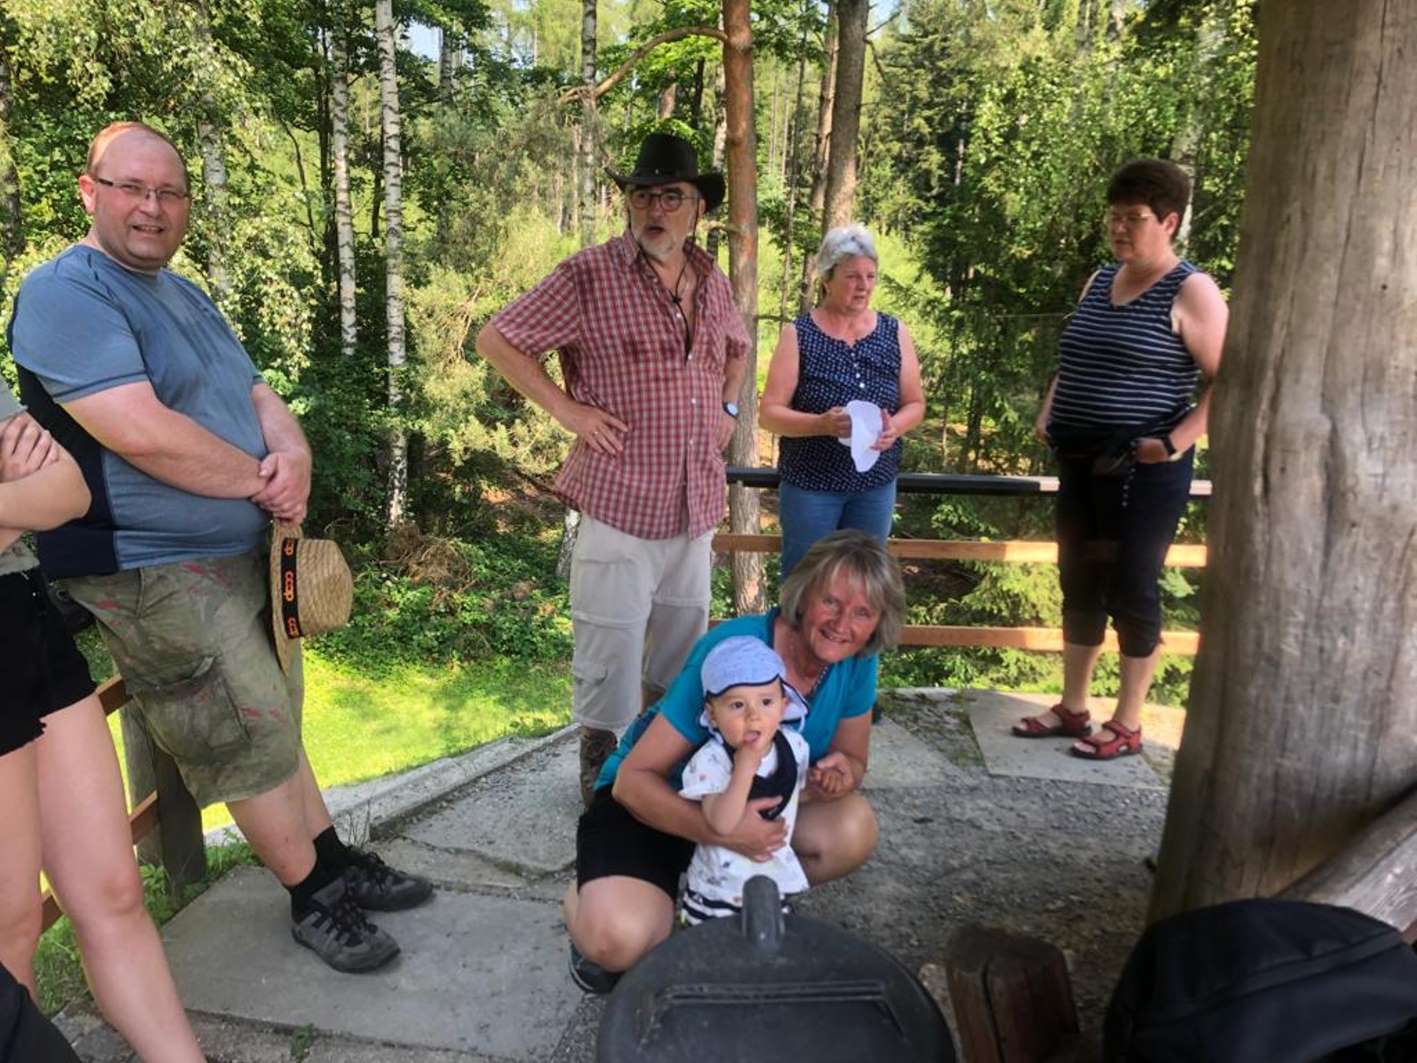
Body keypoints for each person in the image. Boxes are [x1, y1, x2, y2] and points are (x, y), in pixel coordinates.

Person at [7, 121, 432, 975]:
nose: (152, 207)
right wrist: (258, 482)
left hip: (237, 551)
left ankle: (331, 858)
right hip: (149, 567)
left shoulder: (181, 291)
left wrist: (294, 458)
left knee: (273, 717)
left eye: (169, 192)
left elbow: (255, 391)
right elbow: (139, 431)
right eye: (132, 188)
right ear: (90, 192)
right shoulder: (65, 293)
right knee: (240, 731)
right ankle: (312, 896)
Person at [476, 132, 749, 804]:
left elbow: (738, 349)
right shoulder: (589, 276)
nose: (655, 209)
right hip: (620, 503)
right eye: (642, 195)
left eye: (671, 196)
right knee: (608, 659)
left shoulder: (712, 282)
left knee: (679, 661)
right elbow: (497, 339)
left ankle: (657, 778)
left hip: (694, 507)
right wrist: (566, 411)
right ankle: (601, 795)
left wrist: (728, 407)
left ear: (697, 209)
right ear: (628, 203)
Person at [564, 529, 903, 993]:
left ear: (878, 622)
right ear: (804, 595)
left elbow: (855, 758)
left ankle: (704, 891)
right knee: (619, 941)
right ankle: (597, 891)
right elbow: (632, 782)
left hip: (747, 811)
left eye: (863, 612)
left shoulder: (857, 661)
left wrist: (841, 775)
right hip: (659, 803)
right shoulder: (735, 648)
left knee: (853, 828)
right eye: (831, 601)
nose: (843, 623)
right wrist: (724, 832)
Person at [0, 392, 204, 1060]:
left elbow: (68, 490)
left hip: (26, 614)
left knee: (113, 891)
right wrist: (15, 502)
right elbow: (39, 498)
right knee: (10, 934)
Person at [1015, 158, 1228, 760]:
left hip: (1144, 470)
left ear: (1169, 221)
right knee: (1078, 580)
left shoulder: (1192, 289)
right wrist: (1050, 409)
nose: (1119, 228)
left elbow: (1230, 379)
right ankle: (1073, 707)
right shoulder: (1100, 279)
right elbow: (1075, 358)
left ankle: (1129, 722)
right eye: (1114, 217)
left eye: (1134, 218)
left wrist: (1174, 443)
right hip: (1081, 460)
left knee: (1133, 585)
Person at [760, 224, 925, 577]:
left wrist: (894, 428)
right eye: (852, 276)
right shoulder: (799, 334)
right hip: (811, 487)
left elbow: (916, 403)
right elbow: (769, 414)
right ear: (827, 279)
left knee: (866, 582)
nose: (863, 285)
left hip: (875, 486)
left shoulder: (894, 331)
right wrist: (820, 424)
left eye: (870, 276)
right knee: (807, 580)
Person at [679, 636, 811, 925]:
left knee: (768, 944)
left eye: (766, 702)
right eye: (738, 705)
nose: (754, 716)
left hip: (773, 881)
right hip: (719, 891)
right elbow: (721, 823)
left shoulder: (795, 747)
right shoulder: (711, 761)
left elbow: (796, 796)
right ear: (713, 714)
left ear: (783, 706)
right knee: (714, 951)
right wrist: (743, 770)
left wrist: (823, 782)